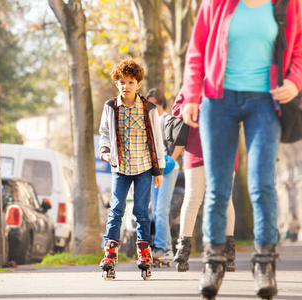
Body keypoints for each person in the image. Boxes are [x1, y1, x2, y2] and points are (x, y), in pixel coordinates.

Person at [177, 0, 302, 298]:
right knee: (218, 187)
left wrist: (295, 82)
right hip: (218, 101)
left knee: (262, 185)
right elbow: (196, 51)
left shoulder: (287, 4)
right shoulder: (216, 3)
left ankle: (264, 264)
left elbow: (299, 49)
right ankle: (213, 262)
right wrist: (191, 95)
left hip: (265, 101)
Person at [98, 58, 165, 280]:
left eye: (130, 82)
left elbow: (157, 139)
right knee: (116, 209)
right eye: (122, 81)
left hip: (144, 166)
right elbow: (105, 133)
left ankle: (144, 253)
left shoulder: (148, 108)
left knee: (141, 211)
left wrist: (159, 170)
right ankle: (110, 252)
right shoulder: (110, 107)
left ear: (138, 84)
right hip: (120, 167)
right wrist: (105, 151)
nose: (125, 86)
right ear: (116, 83)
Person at [171, 96, 237, 273]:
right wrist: (197, 108)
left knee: (225, 199)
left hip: (225, 147)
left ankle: (228, 253)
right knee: (192, 197)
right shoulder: (193, 80)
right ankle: (183, 250)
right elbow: (176, 109)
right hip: (196, 147)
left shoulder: (230, 78)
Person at [145, 88, 184, 265]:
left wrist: (172, 160)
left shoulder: (167, 119)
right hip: (154, 169)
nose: (152, 106)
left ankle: (161, 248)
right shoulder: (148, 121)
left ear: (161, 104)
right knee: (155, 210)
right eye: (149, 102)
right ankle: (166, 249)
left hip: (168, 168)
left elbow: (181, 140)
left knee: (161, 210)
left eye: (155, 102)